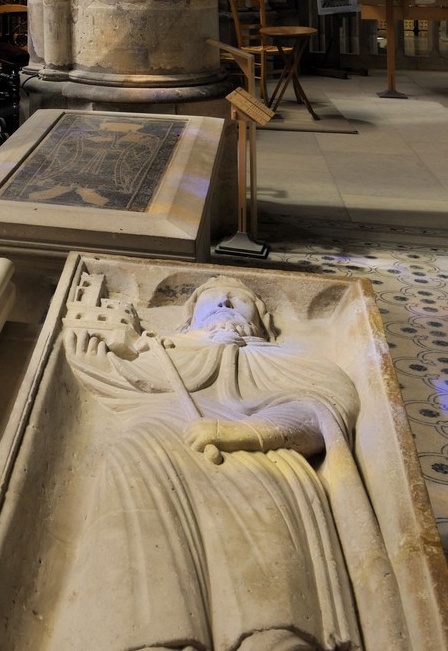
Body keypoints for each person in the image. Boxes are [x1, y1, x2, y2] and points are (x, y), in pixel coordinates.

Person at [62, 278, 409, 651]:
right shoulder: (162, 354)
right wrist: (96, 362)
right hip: (161, 449)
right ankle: (153, 637)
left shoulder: (290, 360)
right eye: (211, 299)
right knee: (137, 448)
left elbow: (326, 409)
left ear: (262, 319)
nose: (225, 303)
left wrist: (243, 432)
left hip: (263, 458)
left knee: (263, 480)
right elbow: (126, 383)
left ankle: (272, 635)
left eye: (238, 299)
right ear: (190, 318)